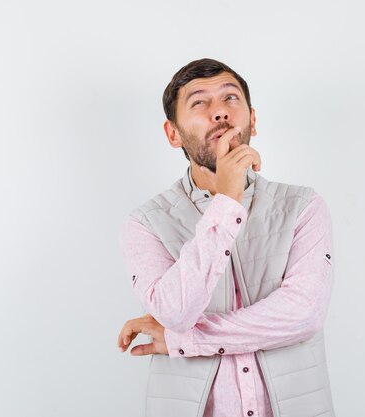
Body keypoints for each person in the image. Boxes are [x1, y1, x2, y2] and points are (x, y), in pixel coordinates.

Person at [116, 58, 335, 417]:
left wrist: (183, 340)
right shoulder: (145, 224)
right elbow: (174, 312)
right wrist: (227, 203)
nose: (219, 112)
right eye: (199, 102)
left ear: (253, 119)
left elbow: (303, 315)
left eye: (230, 98)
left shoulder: (303, 207)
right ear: (173, 134)